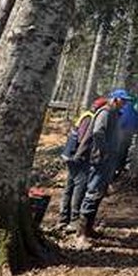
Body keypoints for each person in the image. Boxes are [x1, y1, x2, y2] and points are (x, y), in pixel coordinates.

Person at [76, 90, 132, 240]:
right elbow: (97, 133)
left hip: (108, 160)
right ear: (115, 99)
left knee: (99, 193)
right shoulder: (105, 113)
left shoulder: (115, 114)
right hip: (100, 159)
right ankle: (82, 232)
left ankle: (89, 228)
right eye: (123, 101)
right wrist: (105, 151)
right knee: (93, 192)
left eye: (126, 101)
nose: (124, 104)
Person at [56, 97, 104, 231]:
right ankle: (73, 220)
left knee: (70, 188)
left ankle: (63, 219)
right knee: (79, 188)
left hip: (72, 155)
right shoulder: (90, 119)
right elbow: (83, 139)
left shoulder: (86, 115)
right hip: (78, 158)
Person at [114, 94, 138, 180]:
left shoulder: (127, 109)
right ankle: (118, 170)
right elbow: (136, 124)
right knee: (122, 153)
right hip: (126, 134)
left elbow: (121, 122)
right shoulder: (133, 110)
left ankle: (116, 170)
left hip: (123, 134)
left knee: (120, 153)